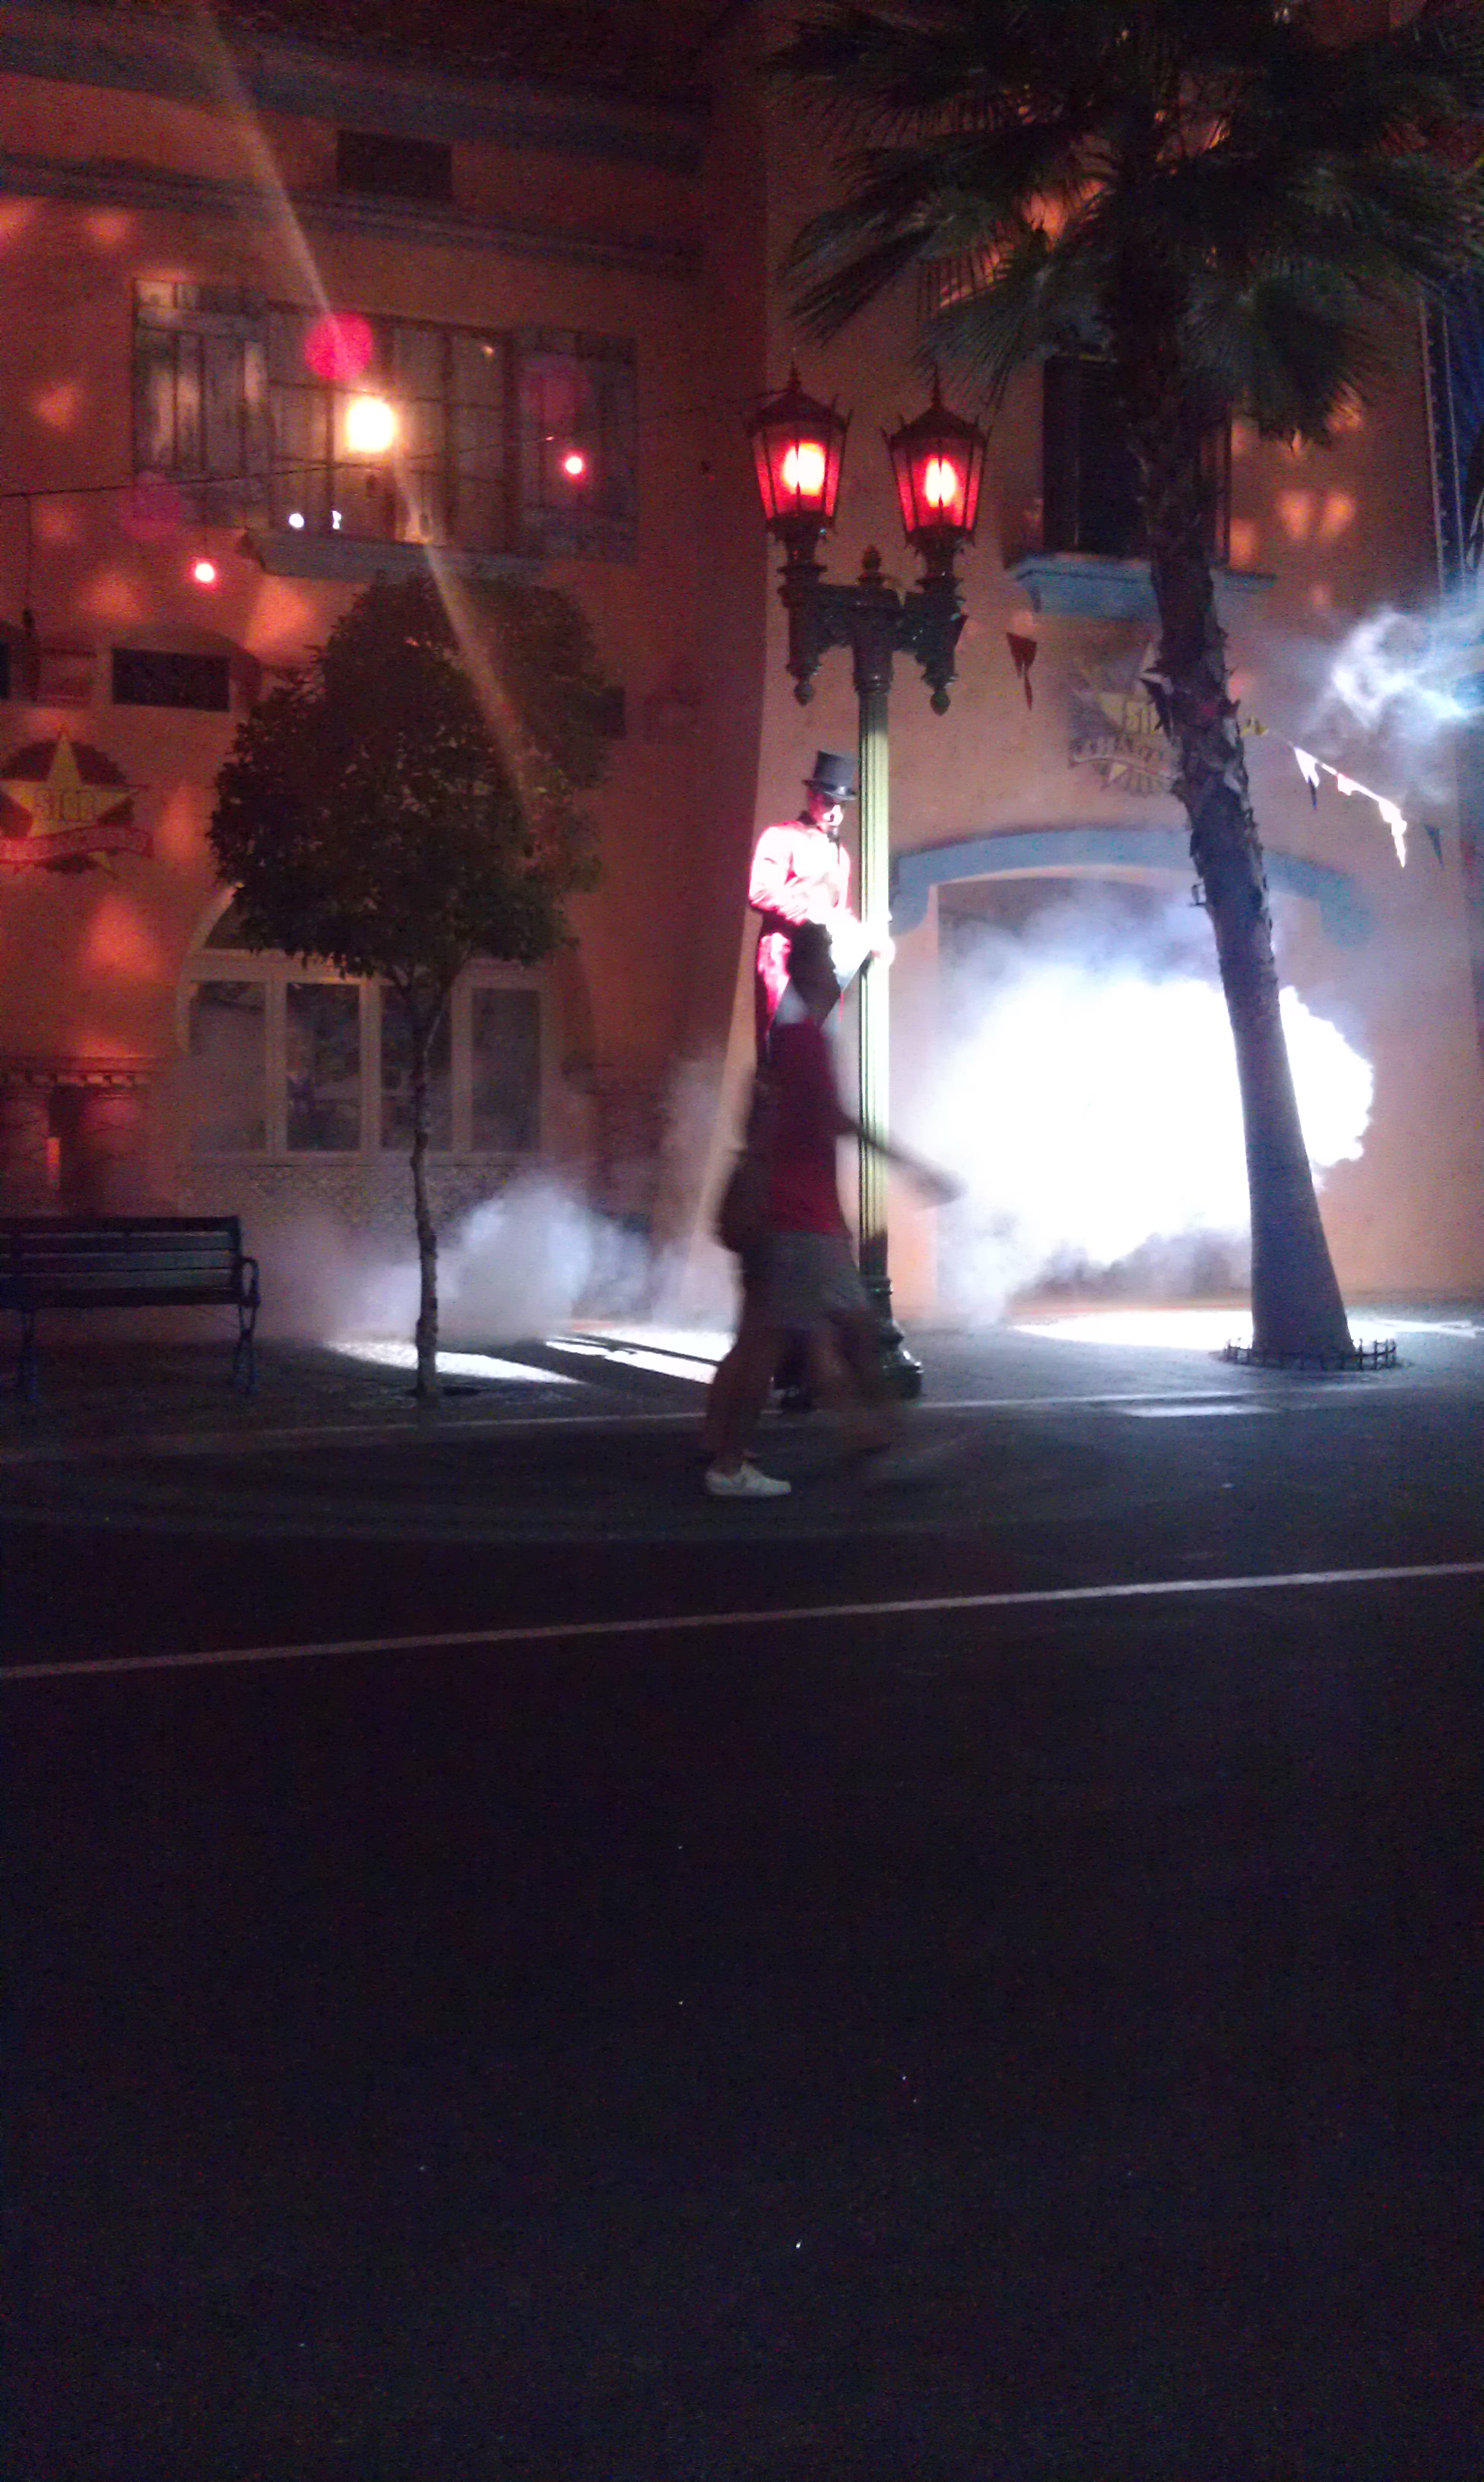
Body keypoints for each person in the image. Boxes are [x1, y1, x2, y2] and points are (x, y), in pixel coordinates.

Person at [702, 921, 956, 1499]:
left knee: (827, 1334)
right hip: (799, 1220)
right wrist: (915, 1168)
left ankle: (869, 1437)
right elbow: (836, 1119)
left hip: (800, 1216)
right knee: (784, 1340)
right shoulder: (804, 1042)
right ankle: (731, 1463)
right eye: (830, 963)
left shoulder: (788, 1035)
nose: (835, 974)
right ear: (814, 970)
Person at [749, 751, 888, 1055]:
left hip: (825, 964)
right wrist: (814, 916)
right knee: (783, 1045)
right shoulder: (781, 836)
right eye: (828, 802)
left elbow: (840, 913)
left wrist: (865, 936)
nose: (835, 812)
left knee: (820, 1047)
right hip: (786, 957)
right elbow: (760, 891)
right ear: (812, 796)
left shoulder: (840, 853)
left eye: (841, 805)